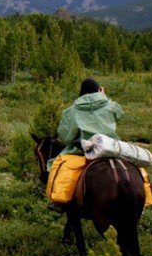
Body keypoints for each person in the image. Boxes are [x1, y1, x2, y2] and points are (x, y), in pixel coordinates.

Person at [47, 78, 124, 213]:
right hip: (110, 147)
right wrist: (104, 97)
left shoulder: (73, 109)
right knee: (131, 165)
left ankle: (59, 200)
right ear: (98, 90)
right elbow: (120, 114)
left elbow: (65, 136)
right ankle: (146, 196)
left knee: (63, 167)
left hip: (83, 150)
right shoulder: (108, 104)